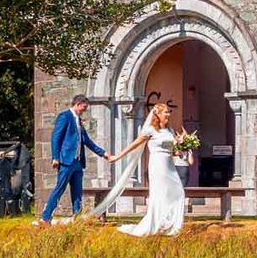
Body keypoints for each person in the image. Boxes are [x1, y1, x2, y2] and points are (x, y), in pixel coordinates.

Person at [107, 101, 186, 236]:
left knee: (178, 192)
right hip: (158, 165)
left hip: (169, 165)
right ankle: (158, 224)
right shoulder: (150, 130)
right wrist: (117, 157)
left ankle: (171, 223)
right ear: (158, 114)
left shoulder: (170, 131)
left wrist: (182, 144)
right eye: (166, 112)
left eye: (168, 112)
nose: (168, 114)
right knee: (160, 194)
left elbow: (174, 152)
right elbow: (134, 144)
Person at [38, 94, 106, 225]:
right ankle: (45, 218)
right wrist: (55, 157)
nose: (84, 110)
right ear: (78, 104)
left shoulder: (78, 120)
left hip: (78, 162)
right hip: (66, 160)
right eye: (84, 107)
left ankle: (77, 217)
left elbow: (86, 141)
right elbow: (55, 138)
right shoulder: (65, 117)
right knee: (60, 188)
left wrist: (104, 154)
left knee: (77, 191)